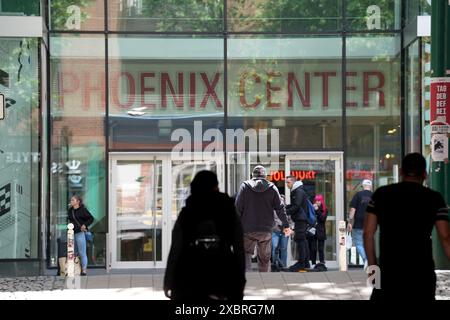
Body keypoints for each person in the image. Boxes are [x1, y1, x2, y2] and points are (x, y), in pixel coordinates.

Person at [364, 153, 450, 300]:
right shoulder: (434, 198)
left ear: (401, 172)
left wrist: (373, 269)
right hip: (421, 273)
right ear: (425, 174)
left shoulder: (381, 195)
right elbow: (445, 237)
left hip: (388, 272)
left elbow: (368, 233)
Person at [164, 171, 246, 301]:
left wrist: (168, 279)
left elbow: (176, 248)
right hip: (223, 272)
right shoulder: (229, 211)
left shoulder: (187, 213)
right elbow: (239, 248)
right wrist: (240, 279)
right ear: (216, 187)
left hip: (189, 273)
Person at [235, 165, 290, 272]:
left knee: (246, 255)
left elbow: (237, 208)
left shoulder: (244, 186)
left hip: (247, 228)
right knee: (264, 259)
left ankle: (248, 280)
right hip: (266, 229)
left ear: (252, 176)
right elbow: (280, 208)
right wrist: (286, 224)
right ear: (265, 176)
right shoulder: (272, 188)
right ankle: (265, 281)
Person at [285, 176, 310, 271]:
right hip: (300, 219)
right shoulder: (297, 190)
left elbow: (296, 206)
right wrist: (285, 208)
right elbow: (294, 205)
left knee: (300, 240)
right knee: (302, 240)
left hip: (301, 219)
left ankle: (302, 263)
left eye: (288, 182)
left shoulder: (298, 191)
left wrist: (286, 212)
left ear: (293, 182)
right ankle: (305, 262)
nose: (287, 184)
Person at [347, 179, 373, 267]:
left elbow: (352, 210)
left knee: (358, 242)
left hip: (359, 223)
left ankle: (366, 260)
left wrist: (350, 222)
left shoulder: (358, 195)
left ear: (362, 186)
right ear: (370, 186)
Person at [67, 194, 94, 276]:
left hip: (80, 233)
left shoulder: (83, 210)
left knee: (82, 252)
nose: (71, 201)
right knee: (73, 252)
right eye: (71, 200)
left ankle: (84, 270)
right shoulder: (70, 210)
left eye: (73, 200)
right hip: (72, 233)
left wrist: (85, 225)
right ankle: (75, 269)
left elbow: (91, 218)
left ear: (78, 202)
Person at [271, 195, 291, 271]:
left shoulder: (287, 210)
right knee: (275, 247)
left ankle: (283, 266)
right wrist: (278, 225)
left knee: (284, 248)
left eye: (282, 200)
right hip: (275, 230)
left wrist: (291, 228)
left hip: (286, 230)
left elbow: (291, 220)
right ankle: (275, 266)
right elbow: (271, 220)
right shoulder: (273, 209)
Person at [307, 194, 328, 267]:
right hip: (313, 230)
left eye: (319, 200)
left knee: (320, 248)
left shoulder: (324, 209)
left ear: (322, 201)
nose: (317, 202)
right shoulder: (312, 208)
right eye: (316, 200)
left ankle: (322, 263)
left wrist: (317, 210)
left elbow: (322, 219)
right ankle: (313, 263)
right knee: (313, 248)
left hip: (321, 231)